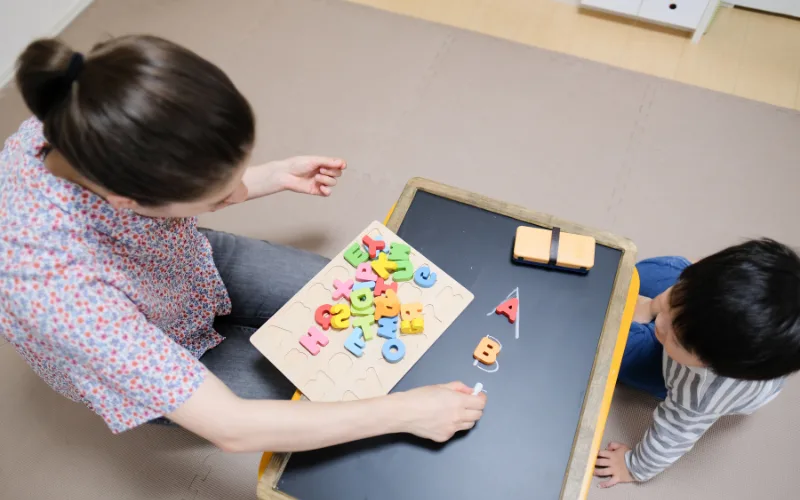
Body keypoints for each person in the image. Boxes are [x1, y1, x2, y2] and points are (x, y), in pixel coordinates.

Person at [0, 35, 486, 453]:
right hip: (152, 344)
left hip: (183, 262)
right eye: (218, 196)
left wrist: (268, 176)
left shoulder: (81, 116)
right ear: (127, 201)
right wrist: (403, 414)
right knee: (336, 394)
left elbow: (177, 187)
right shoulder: (54, 291)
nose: (236, 191)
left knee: (375, 299)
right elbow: (231, 427)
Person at [594, 240, 800, 487]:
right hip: (700, 322)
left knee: (620, 344)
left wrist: (633, 467)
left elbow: (672, 436)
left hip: (682, 375)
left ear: (708, 363)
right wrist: (653, 306)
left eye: (677, 340)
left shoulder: (699, 395)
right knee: (657, 272)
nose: (661, 324)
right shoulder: (706, 288)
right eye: (676, 300)